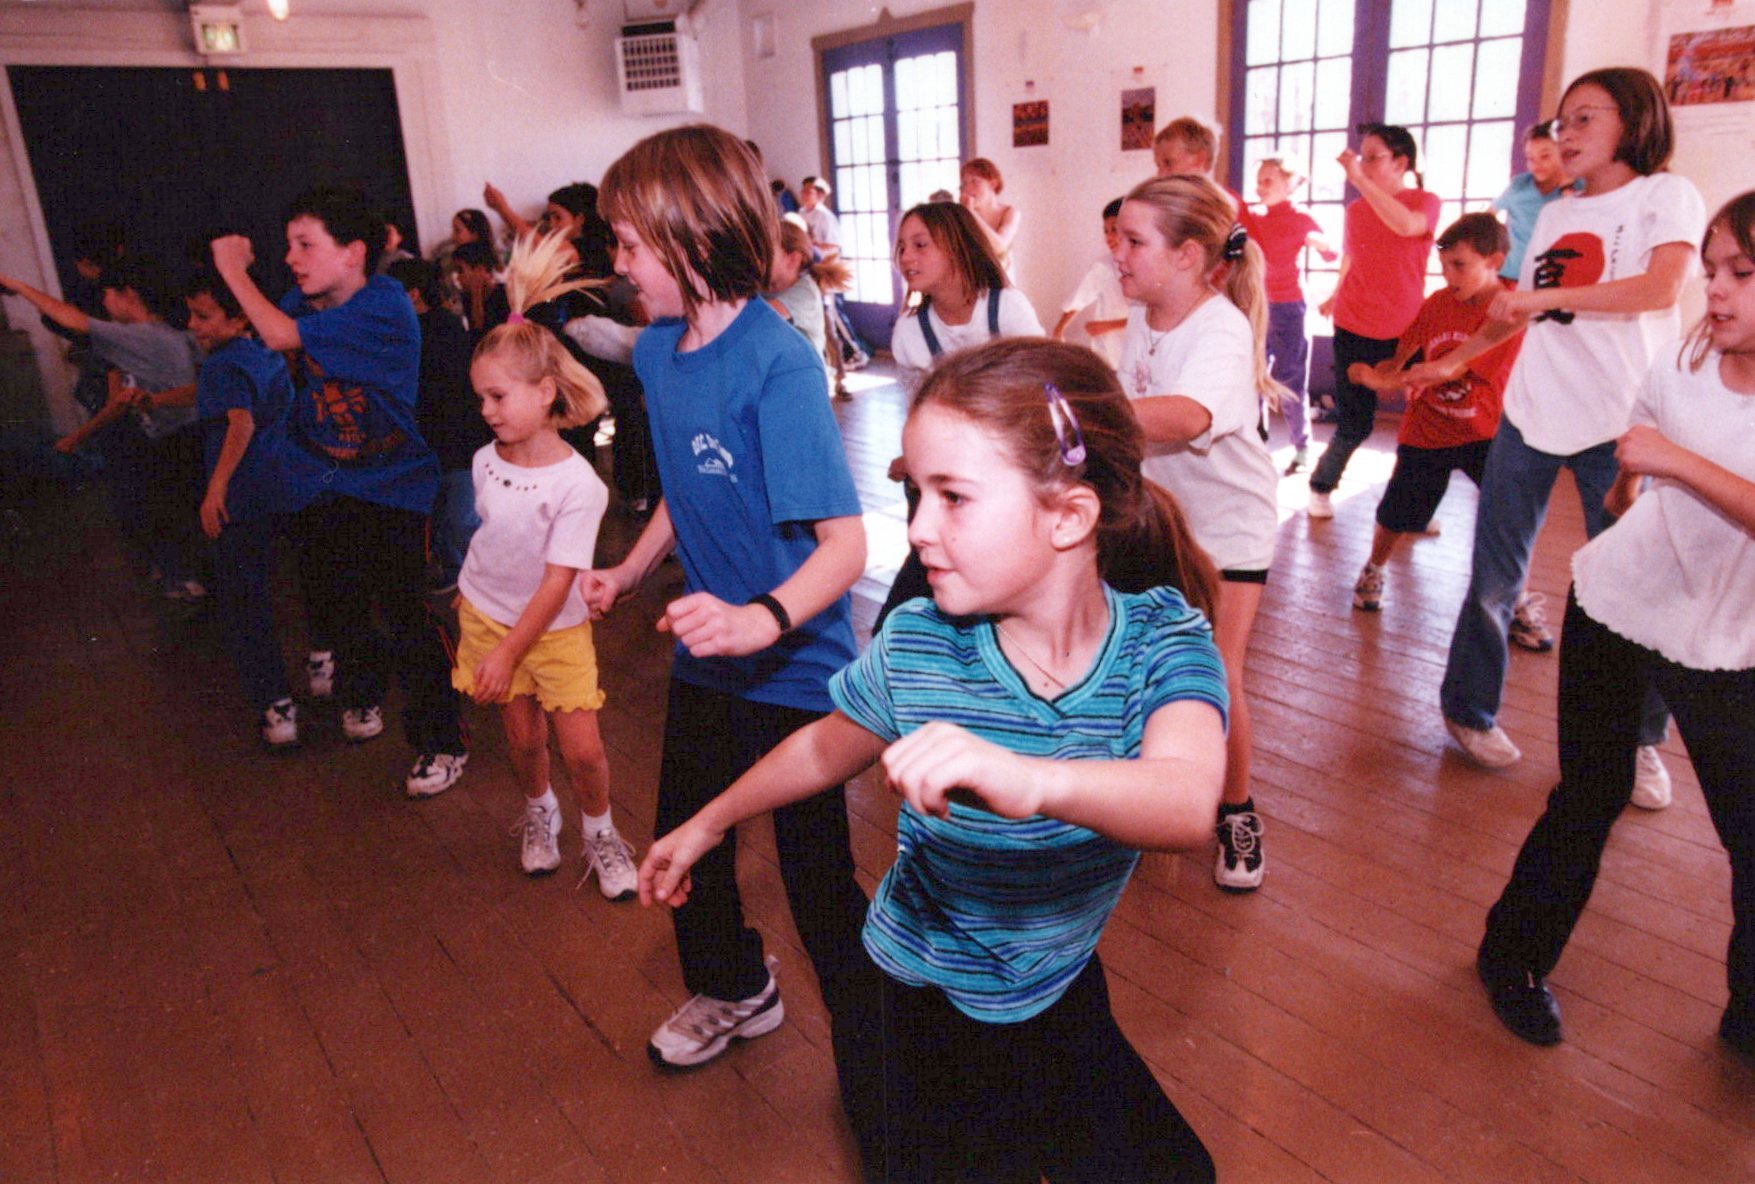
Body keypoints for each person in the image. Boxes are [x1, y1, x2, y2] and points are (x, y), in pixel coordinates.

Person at [639, 339, 1225, 1182]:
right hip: (910, 1004)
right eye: (915, 495)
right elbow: (823, 745)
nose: (917, 529)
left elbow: (1185, 799)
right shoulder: (921, 643)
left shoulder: (1161, 644)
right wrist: (707, 821)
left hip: (1051, 985)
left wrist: (1028, 778)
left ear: (1067, 516)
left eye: (953, 498)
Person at [580, 127, 874, 1093]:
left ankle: (878, 1044)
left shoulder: (776, 365)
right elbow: (683, 488)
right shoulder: (661, 354)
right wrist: (628, 573)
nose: (618, 267)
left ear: (693, 241)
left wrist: (762, 619)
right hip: (709, 662)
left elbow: (847, 547)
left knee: (815, 879)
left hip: (795, 672)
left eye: (627, 246)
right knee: (684, 838)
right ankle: (737, 987)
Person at [1475, 192, 1755, 1057]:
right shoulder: (1684, 358)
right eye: (1710, 270)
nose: (1714, 289)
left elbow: (1661, 453)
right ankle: (1510, 961)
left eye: (1740, 273)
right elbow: (1639, 444)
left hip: (1727, 644)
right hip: (1618, 605)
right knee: (1587, 796)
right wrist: (1636, 480)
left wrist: (1669, 462)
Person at [1415, 68, 1704, 794]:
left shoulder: (1664, 195)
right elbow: (1511, 313)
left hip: (1625, 422)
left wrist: (1546, 295)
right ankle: (1467, 709)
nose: (1562, 135)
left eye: (1582, 120)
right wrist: (1447, 360)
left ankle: (1637, 740)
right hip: (1531, 413)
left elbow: (1659, 288)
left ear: (1632, 121)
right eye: (1559, 122)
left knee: (1636, 583)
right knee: (1493, 579)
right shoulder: (1550, 214)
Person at [211, 185, 469, 798]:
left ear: (353, 252)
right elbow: (270, 334)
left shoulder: (382, 305)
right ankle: (362, 694)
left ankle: (442, 741)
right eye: (288, 246)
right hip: (325, 480)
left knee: (408, 616)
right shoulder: (305, 300)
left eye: (306, 244)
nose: (292, 258)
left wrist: (229, 268)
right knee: (339, 606)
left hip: (393, 486)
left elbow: (274, 335)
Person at [451, 231, 637, 894]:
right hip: (487, 617)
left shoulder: (578, 484)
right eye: (480, 397)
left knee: (581, 749)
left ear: (546, 392)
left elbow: (558, 579)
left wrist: (506, 654)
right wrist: (473, 607)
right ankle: (539, 814)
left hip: (550, 629)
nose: (485, 411)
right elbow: (488, 539)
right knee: (524, 743)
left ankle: (600, 831)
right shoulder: (483, 460)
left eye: (498, 397)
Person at [1116, 174, 1281, 892]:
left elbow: (1180, 416)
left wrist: (1071, 414)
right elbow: (1133, 418)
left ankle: (1235, 809)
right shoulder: (1141, 315)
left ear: (1186, 255)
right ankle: (1149, 785)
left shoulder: (1219, 325)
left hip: (1228, 528)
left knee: (1218, 669)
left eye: (1131, 240)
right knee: (1144, 658)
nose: (1115, 252)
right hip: (1162, 518)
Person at [1346, 214, 1522, 613]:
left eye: (1459, 265)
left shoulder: (1512, 309)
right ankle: (1374, 567)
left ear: (1494, 261)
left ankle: (1517, 598)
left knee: (1508, 519)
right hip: (1428, 430)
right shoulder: (1438, 304)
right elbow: (1404, 353)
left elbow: (1452, 368)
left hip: (1485, 432)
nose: (1448, 276)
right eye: (1443, 266)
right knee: (1397, 513)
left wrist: (1376, 381)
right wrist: (1376, 370)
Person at [882, 200, 1045, 627]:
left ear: (956, 247)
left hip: (1009, 461)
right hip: (947, 471)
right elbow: (915, 411)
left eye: (920, 245)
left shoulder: (1006, 307)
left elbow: (1041, 392)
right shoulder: (911, 330)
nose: (906, 258)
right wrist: (913, 456)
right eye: (901, 247)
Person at [8, 256, 205, 598]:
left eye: (107, 296)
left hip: (174, 443)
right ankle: (193, 582)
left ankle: (193, 584)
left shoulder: (141, 336)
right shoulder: (167, 335)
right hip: (182, 439)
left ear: (127, 294)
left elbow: (74, 320)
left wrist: (17, 285)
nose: (105, 305)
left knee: (175, 521)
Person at [1306, 123, 1441, 517]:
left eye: (1372, 157)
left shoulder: (1425, 201)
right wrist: (1334, 293)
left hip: (1406, 330)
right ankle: (1320, 487)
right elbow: (1352, 257)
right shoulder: (1356, 210)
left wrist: (1360, 179)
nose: (1362, 164)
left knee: (1421, 426)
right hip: (1353, 324)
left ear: (1401, 162)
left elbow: (1406, 226)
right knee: (1355, 423)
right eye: (1361, 157)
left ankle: (1414, 508)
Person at [186, 268, 297, 746]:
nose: (193, 324)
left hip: (243, 500)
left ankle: (275, 704)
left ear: (237, 319)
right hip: (282, 487)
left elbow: (239, 422)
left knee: (246, 605)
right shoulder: (264, 354)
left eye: (204, 316)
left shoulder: (219, 365)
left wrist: (215, 489)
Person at [386, 258, 489, 593]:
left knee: (459, 515)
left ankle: (473, 574)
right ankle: (457, 569)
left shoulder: (439, 327)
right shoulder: (411, 330)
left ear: (413, 294)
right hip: (436, 441)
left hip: (453, 440)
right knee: (447, 515)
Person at [1252, 156, 1338, 473]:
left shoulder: (1301, 218)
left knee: (1290, 380)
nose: (1260, 187)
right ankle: (1256, 442)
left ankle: (1302, 448)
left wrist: (1317, 241)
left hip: (1289, 309)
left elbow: (1333, 253)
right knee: (1252, 379)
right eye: (1258, 180)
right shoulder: (1254, 219)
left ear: (1288, 185)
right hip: (1258, 306)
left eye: (1268, 181)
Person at [766, 215, 852, 394]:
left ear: (793, 259)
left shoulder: (805, 290)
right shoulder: (763, 288)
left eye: (766, 252)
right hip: (779, 380)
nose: (758, 258)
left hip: (805, 383)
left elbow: (765, 316)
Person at [1050, 197, 1130, 369]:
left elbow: (1151, 317)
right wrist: (1059, 331)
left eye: (1114, 230)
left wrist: (1109, 326)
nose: (1109, 237)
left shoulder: (1149, 267)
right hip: (1109, 354)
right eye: (1106, 231)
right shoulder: (1104, 266)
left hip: (1136, 352)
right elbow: (1079, 298)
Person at [1491, 121, 1575, 283]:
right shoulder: (1518, 186)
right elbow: (1488, 216)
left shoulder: (1577, 187)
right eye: (1530, 158)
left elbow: (1578, 221)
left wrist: (1567, 187)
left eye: (1545, 156)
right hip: (1511, 274)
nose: (1537, 164)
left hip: (1553, 277)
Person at [959, 157, 1020, 275]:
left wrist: (972, 213)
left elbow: (999, 247)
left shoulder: (1009, 212)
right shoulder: (962, 214)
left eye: (975, 181)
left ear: (993, 184)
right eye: (965, 183)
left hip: (1002, 282)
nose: (968, 188)